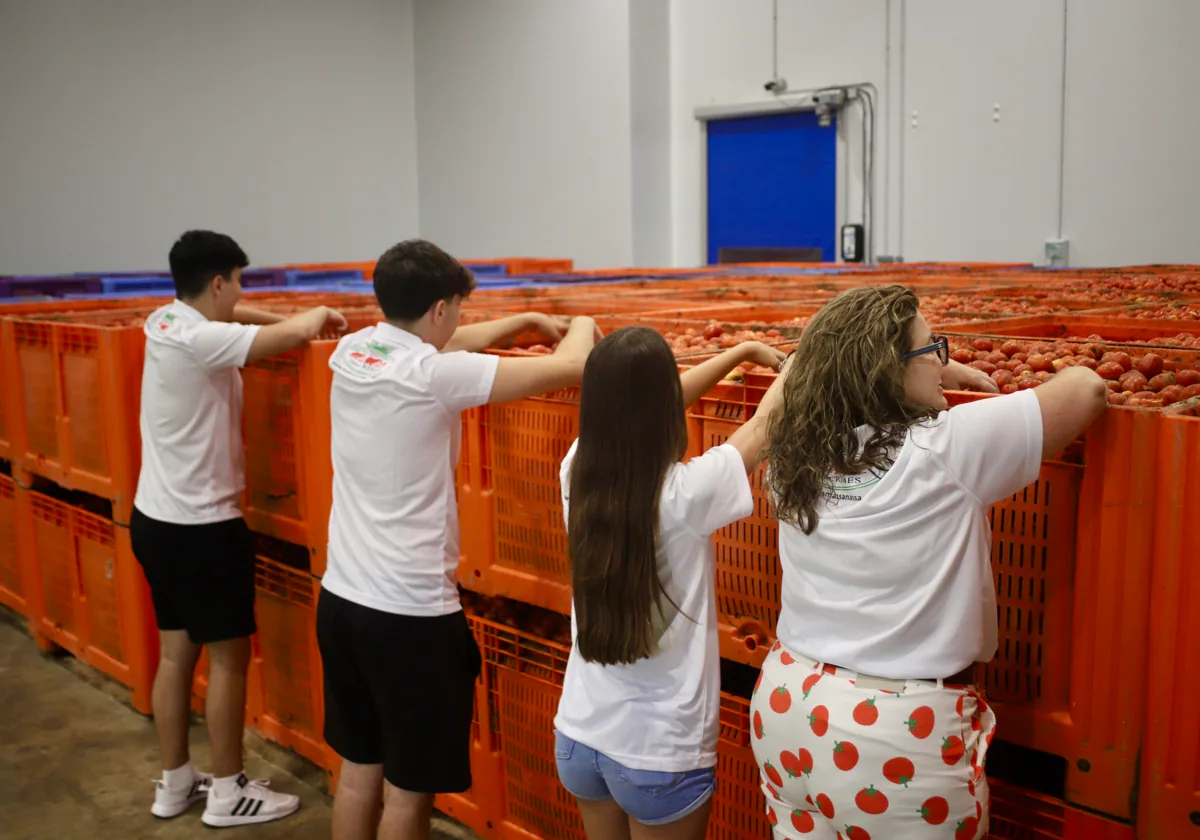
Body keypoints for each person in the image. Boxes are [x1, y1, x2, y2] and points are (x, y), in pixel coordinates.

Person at [751, 285, 1107, 839]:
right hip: (894, 733)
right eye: (932, 348)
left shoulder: (794, 450)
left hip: (788, 704)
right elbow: (1086, 389)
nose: (942, 359)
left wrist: (930, 372)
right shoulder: (945, 448)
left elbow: (806, 365)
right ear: (889, 370)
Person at [316, 238, 601, 840]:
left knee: (358, 772)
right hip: (409, 618)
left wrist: (521, 321)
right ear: (442, 308)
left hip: (341, 601)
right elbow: (575, 366)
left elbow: (448, 348)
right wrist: (583, 323)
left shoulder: (351, 352)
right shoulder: (433, 377)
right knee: (408, 795)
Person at [131, 230, 346, 826]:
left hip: (155, 519)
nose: (242, 292)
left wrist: (294, 315)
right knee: (228, 659)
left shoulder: (166, 322)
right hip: (204, 529)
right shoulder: (203, 340)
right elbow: (283, 336)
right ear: (219, 282)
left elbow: (244, 320)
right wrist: (310, 320)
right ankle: (228, 792)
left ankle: (176, 782)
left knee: (176, 656)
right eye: (238, 282)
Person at [554, 326, 789, 840]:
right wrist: (801, 360)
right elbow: (765, 422)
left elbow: (635, 406)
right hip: (659, 753)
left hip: (579, 734)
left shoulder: (576, 469)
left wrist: (741, 352)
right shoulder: (686, 496)